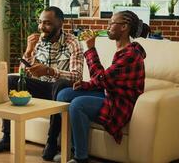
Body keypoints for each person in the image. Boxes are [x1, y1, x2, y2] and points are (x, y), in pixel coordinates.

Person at [0, 6, 84, 161]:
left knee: (59, 85)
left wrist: (50, 71)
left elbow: (76, 76)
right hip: (43, 87)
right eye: (40, 22)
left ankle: (51, 141)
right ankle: (7, 137)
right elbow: (23, 73)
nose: (42, 27)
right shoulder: (39, 41)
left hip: (61, 90)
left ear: (60, 24)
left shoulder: (73, 43)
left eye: (47, 23)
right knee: (11, 80)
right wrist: (29, 50)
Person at [57, 10, 146, 163]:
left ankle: (80, 157)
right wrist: (85, 85)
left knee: (78, 105)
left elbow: (101, 78)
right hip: (108, 93)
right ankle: (72, 147)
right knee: (64, 95)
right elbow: (106, 81)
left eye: (112, 23)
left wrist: (90, 48)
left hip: (119, 103)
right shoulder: (121, 50)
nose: (108, 26)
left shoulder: (130, 55)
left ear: (124, 27)